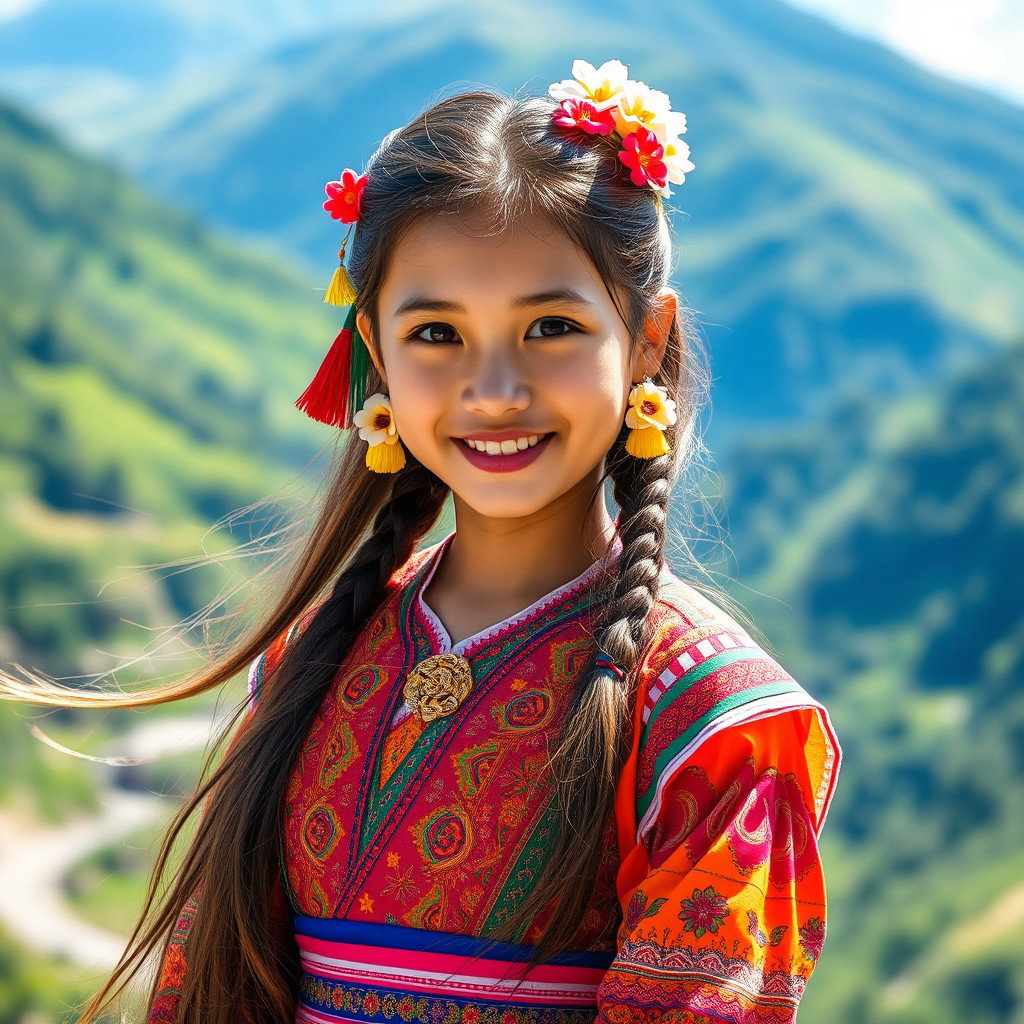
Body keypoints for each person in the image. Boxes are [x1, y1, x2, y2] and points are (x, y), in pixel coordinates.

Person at [4, 58, 841, 1024]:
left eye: (553, 326)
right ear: (374, 349)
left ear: (648, 338)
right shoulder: (307, 660)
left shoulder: (718, 724)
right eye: (436, 333)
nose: (493, 389)